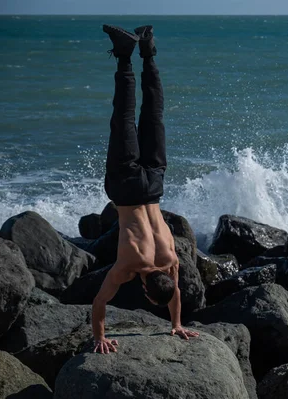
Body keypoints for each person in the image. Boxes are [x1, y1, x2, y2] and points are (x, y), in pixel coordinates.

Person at [92, 24, 199, 354]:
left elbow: (175, 292)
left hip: (154, 184)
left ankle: (148, 50)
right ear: (145, 289)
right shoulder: (128, 266)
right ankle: (124, 55)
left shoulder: (170, 260)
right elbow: (99, 304)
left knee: (154, 114)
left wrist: (177, 322)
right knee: (123, 117)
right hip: (125, 187)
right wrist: (99, 337)